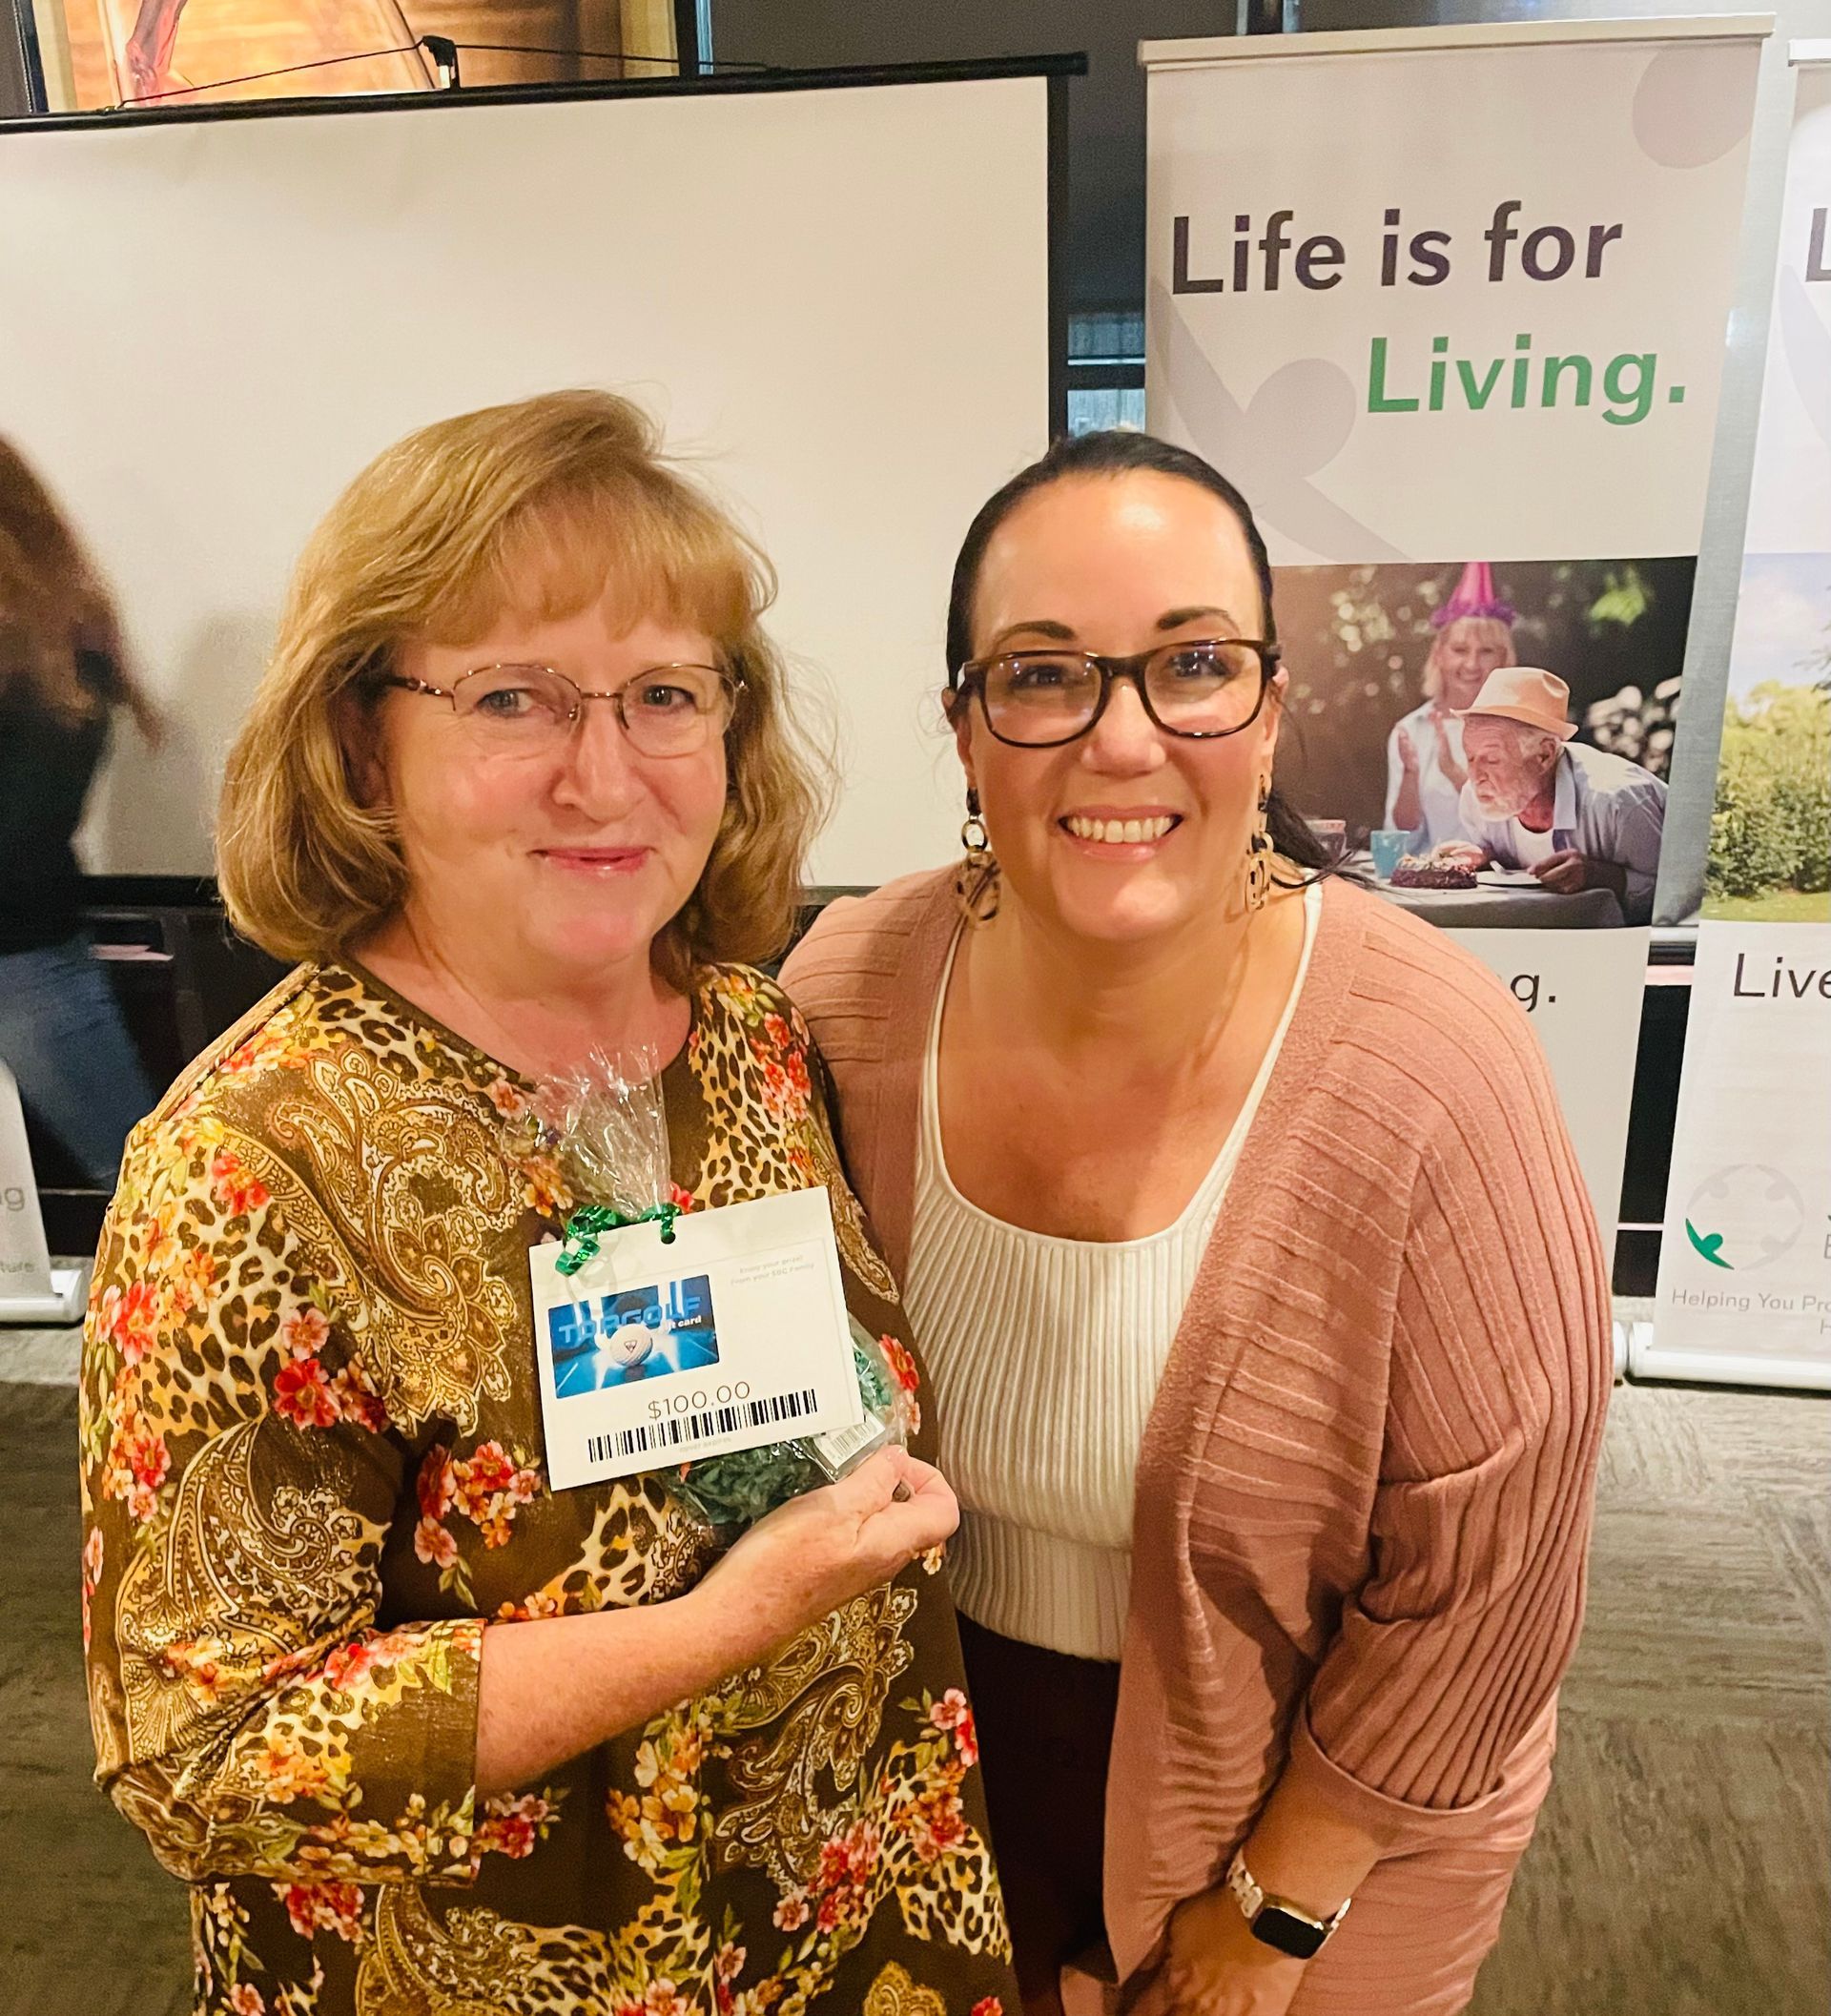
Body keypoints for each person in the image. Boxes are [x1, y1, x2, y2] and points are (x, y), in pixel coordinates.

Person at [80, 390, 1020, 2016]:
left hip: (847, 1912)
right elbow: (205, 1746)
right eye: (516, 694)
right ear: (362, 735)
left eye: (667, 693)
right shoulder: (250, 1170)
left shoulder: (749, 1035)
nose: (608, 772)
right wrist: (722, 1625)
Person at [783, 430, 1611, 2016]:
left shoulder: (1430, 1062)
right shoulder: (849, 994)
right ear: (964, 724)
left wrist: (1274, 1904)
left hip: (1328, 1799)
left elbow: (1486, 1579)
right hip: (947, 1768)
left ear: (1273, 705)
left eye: (1193, 665)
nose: (1121, 737)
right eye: (1043, 675)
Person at [0, 438, 158, 1188]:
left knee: (139, 1183)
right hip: (29, 952)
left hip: (24, 957)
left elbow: (24, 829)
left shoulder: (59, 641)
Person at [1456, 666, 1668, 925]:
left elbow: (1683, 897)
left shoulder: (1617, 802)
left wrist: (1600, 876)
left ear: (1544, 755)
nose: (1476, 775)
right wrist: (1483, 858)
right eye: (1470, 757)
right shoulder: (1474, 801)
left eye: (1492, 759)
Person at [1384, 561, 1515, 848]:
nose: (1471, 664)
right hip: (1437, 882)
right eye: (1459, 650)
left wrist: (1455, 774)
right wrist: (1410, 775)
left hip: (1504, 883)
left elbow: (1519, 828)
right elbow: (1401, 836)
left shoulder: (1518, 729)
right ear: (1440, 655)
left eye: (1486, 652)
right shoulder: (1411, 730)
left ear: (1503, 659)